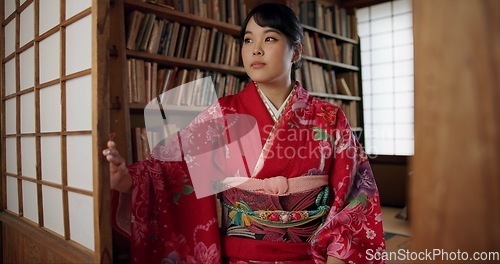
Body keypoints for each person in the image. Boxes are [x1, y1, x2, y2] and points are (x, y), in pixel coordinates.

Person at [103, 3, 385, 263]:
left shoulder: (330, 117)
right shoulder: (224, 113)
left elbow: (356, 194)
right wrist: (129, 180)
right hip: (240, 255)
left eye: (270, 38)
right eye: (248, 40)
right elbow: (174, 170)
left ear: (296, 52)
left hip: (312, 255)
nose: (255, 49)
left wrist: (339, 254)